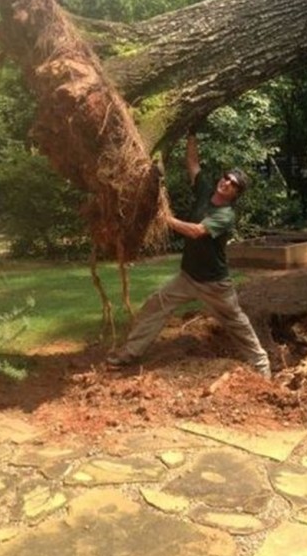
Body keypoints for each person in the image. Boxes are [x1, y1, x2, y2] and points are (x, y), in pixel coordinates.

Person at [106, 131, 272, 378]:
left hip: (214, 283)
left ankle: (261, 366)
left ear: (236, 194)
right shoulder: (206, 190)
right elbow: (193, 164)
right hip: (188, 276)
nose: (226, 182)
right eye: (226, 178)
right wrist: (192, 134)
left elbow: (196, 232)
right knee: (156, 305)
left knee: (236, 322)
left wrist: (164, 218)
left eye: (233, 184)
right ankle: (128, 355)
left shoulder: (226, 215)